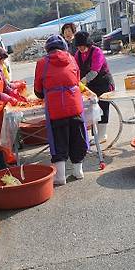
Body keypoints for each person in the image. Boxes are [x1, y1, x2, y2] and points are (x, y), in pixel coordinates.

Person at [34, 35, 87, 185]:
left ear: (47, 49)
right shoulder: (71, 58)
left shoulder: (42, 63)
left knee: (59, 141)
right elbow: (76, 79)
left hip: (56, 109)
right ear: (63, 47)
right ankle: (78, 172)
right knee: (77, 138)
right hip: (75, 105)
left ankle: (61, 177)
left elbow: (38, 90)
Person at [74, 31, 114, 143]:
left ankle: (102, 135)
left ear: (88, 44)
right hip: (90, 86)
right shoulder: (78, 54)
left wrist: (83, 81)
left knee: (103, 107)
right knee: (92, 109)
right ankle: (96, 135)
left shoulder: (97, 51)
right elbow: (76, 69)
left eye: (83, 46)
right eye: (78, 46)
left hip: (104, 83)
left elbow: (95, 71)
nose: (81, 48)